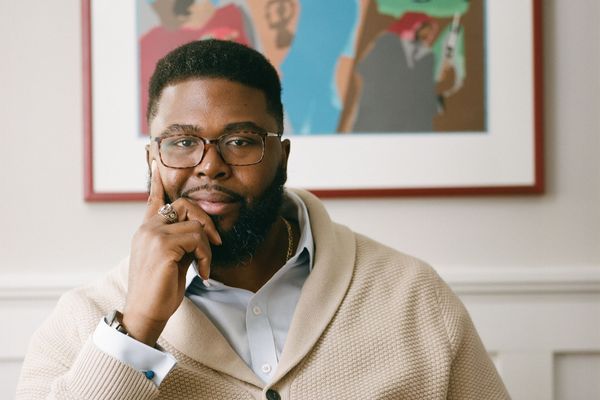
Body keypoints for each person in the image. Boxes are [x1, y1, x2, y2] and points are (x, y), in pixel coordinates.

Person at [16, 39, 510, 399]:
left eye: (241, 140)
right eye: (183, 142)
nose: (210, 165)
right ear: (153, 161)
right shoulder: (84, 318)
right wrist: (138, 325)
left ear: (282, 157)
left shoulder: (413, 296)